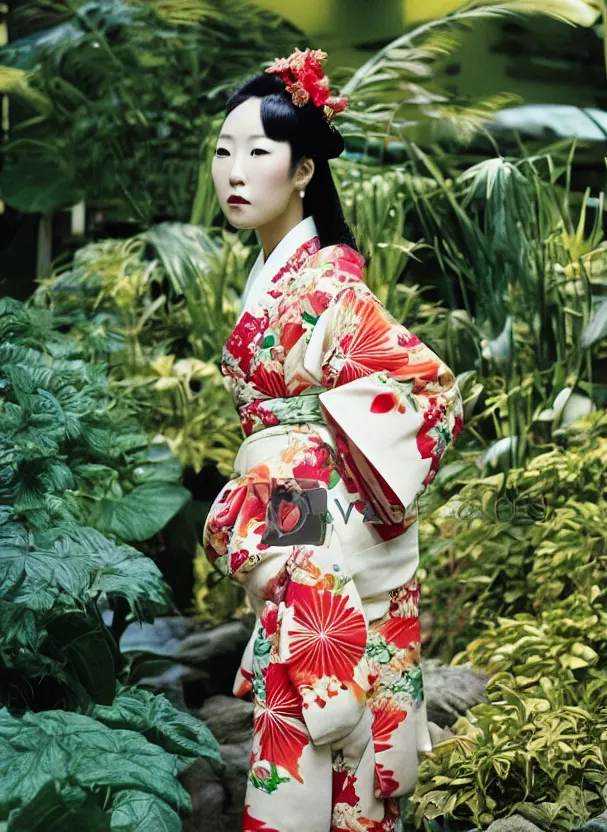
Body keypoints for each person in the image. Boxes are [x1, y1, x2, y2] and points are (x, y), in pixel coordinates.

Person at [203, 47, 465, 832]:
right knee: (311, 719)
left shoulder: (327, 287)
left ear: (306, 170)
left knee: (323, 720)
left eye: (258, 152)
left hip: (314, 524)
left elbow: (429, 390)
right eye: (223, 153)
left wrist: (325, 503)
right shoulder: (283, 276)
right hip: (294, 516)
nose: (235, 172)